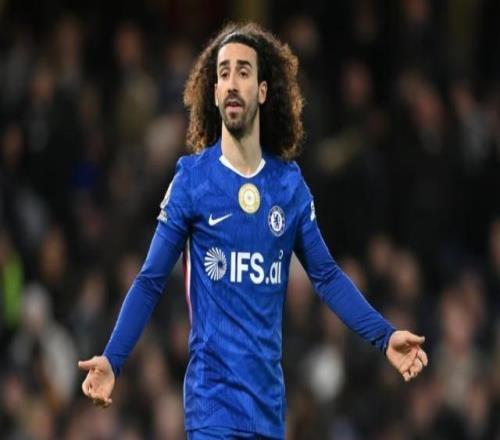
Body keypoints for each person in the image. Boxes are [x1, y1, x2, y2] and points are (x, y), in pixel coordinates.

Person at [79, 22, 428, 439]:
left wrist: (384, 336)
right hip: (212, 408)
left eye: (243, 71)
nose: (231, 82)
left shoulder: (288, 186)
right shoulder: (192, 180)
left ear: (262, 90)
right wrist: (113, 359)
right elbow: (150, 279)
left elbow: (326, 276)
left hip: (268, 412)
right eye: (223, 73)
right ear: (214, 92)